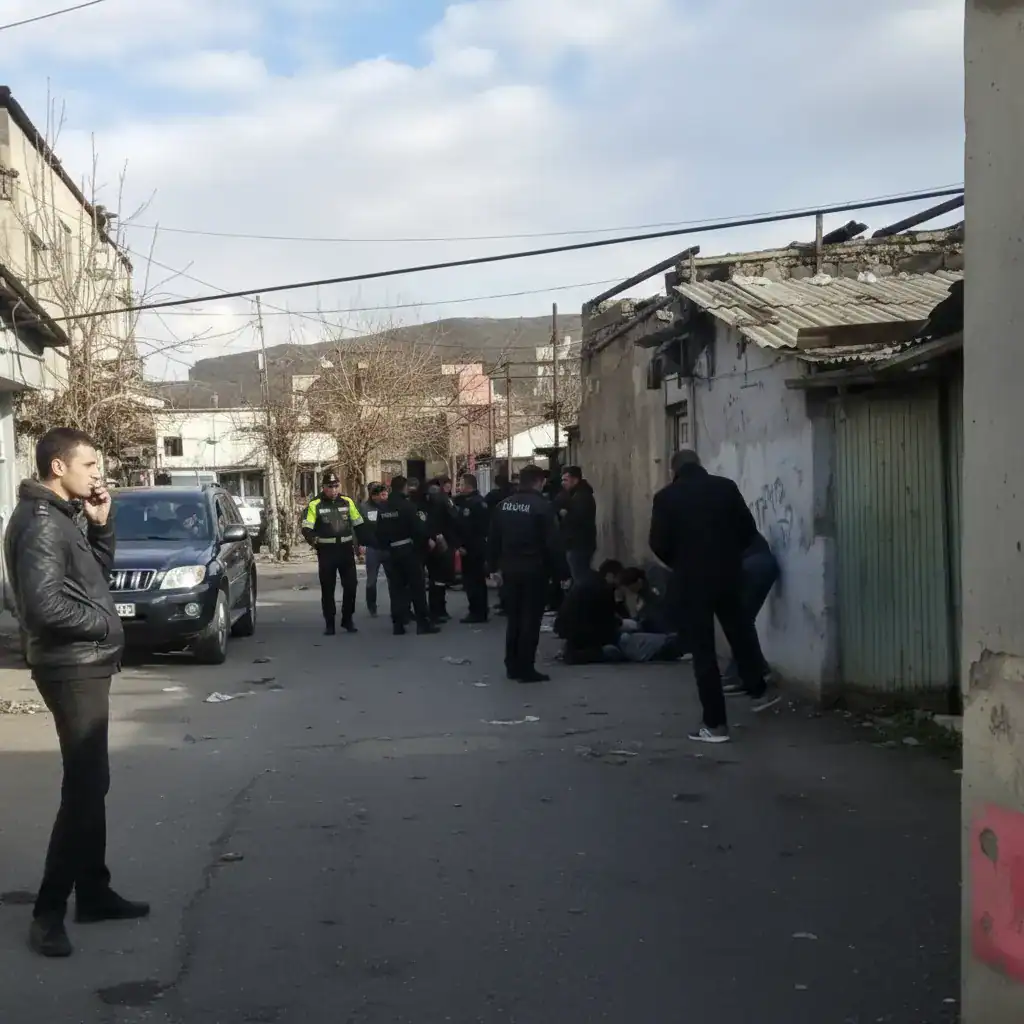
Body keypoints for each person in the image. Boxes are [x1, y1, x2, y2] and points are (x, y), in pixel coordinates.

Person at [4, 427, 148, 959]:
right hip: (70, 667)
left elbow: (94, 578)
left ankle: (93, 892)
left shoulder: (62, 516)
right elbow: (44, 607)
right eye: (89, 465)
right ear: (58, 468)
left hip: (80, 663)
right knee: (86, 785)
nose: (98, 474)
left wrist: (101, 526)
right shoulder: (42, 522)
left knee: (92, 782)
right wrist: (105, 625)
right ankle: (48, 912)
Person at [649, 449, 779, 744]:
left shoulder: (666, 498)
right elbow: (748, 531)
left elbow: (658, 542)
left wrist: (681, 563)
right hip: (729, 574)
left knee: (703, 650)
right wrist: (728, 556)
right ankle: (759, 692)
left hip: (691, 581)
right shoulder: (725, 487)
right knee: (740, 632)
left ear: (674, 471)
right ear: (699, 464)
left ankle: (715, 724)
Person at [487, 464, 567, 683]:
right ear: (539, 482)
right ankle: (526, 668)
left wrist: (492, 567)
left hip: (510, 570)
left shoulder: (503, 506)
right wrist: (562, 573)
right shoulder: (543, 507)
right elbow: (553, 544)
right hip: (534, 571)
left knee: (514, 618)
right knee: (530, 620)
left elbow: (493, 539)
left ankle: (512, 664)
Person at [301, 472, 368, 635]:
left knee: (351, 586)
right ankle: (329, 623)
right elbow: (307, 528)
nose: (333, 490)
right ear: (323, 487)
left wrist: (362, 543)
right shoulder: (315, 504)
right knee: (328, 588)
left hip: (345, 550)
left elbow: (359, 524)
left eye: (336, 486)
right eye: (330, 487)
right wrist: (315, 542)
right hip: (327, 552)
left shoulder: (347, 501)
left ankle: (347, 619)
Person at [374, 475, 440, 636]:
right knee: (417, 588)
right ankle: (423, 624)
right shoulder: (408, 506)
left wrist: (386, 547)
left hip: (392, 552)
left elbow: (379, 532)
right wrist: (425, 544)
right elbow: (419, 529)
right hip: (409, 551)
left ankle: (398, 625)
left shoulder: (384, 508)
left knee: (397, 589)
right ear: (404, 488)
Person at [722, 532, 779, 694]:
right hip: (760, 564)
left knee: (740, 624)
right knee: (742, 623)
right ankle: (758, 669)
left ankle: (745, 675)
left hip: (752, 567)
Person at [554, 559, 623, 664]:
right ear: (610, 575)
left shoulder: (589, 579)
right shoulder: (603, 588)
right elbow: (607, 619)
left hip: (567, 626)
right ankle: (582, 654)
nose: (619, 583)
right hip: (580, 630)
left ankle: (573, 649)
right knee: (613, 650)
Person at [421, 477, 459, 623]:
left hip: (428, 542)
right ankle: (439, 610)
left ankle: (434, 609)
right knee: (440, 579)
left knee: (433, 578)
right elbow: (454, 517)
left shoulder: (422, 501)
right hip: (443, 542)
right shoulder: (444, 500)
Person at [456, 473, 490, 624]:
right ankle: (478, 610)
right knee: (473, 580)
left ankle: (477, 611)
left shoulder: (476, 503)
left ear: (469, 486)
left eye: (461, 484)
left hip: (474, 548)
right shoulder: (467, 501)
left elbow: (475, 529)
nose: (459, 487)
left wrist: (464, 546)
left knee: (474, 581)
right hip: (470, 547)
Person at [556, 465, 597, 581]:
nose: (563, 483)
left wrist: (563, 514)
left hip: (579, 544)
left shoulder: (582, 497)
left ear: (575, 480)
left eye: (566, 480)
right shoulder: (574, 495)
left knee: (580, 578)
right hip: (576, 543)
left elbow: (576, 519)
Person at [359, 483, 390, 618]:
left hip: (388, 548)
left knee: (394, 580)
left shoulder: (389, 507)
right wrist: (359, 545)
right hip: (372, 548)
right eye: (382, 495)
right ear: (374, 496)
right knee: (371, 580)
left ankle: (398, 607)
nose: (385, 497)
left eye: (386, 494)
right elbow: (359, 528)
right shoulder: (364, 508)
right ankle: (371, 606)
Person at [484, 473, 513, 614]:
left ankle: (505, 603)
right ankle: (507, 603)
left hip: (498, 534)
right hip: (510, 535)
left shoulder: (493, 496)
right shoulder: (512, 495)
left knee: (502, 572)